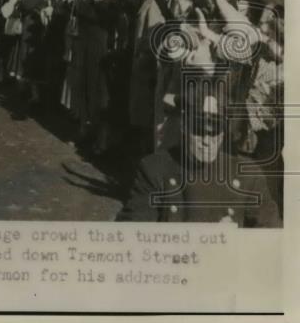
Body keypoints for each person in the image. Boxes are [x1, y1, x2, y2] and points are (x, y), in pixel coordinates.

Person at [116, 79, 280, 226]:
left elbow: (272, 236)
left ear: (223, 133)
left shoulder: (247, 175)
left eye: (214, 132)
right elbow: (131, 233)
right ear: (184, 127)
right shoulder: (155, 170)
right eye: (199, 131)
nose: (206, 141)